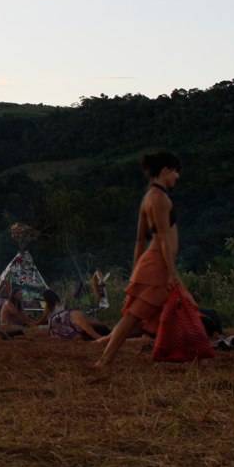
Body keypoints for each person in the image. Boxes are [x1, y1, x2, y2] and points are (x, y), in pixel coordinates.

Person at [96, 151, 189, 368]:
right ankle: (104, 360)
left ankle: (196, 359)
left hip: (154, 262)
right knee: (135, 315)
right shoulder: (159, 198)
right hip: (159, 263)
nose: (177, 177)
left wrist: (136, 270)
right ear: (165, 170)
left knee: (184, 307)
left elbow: (140, 240)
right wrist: (170, 271)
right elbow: (163, 237)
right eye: (175, 172)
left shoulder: (149, 197)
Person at [41, 290, 111, 340]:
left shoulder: (93, 321)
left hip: (60, 319)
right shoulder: (86, 324)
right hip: (56, 322)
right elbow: (98, 337)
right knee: (79, 337)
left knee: (80, 335)